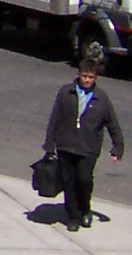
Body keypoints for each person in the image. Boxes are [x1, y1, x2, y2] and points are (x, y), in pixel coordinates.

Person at [43, 57, 125, 231]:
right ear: (79, 74)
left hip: (88, 148)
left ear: (95, 78)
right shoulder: (66, 93)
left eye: (91, 77)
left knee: (84, 179)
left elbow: (113, 124)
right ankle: (73, 216)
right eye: (84, 76)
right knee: (69, 182)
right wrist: (49, 144)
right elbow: (54, 119)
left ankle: (85, 209)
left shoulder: (101, 99)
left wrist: (118, 147)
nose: (87, 80)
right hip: (66, 144)